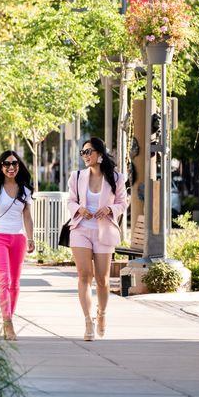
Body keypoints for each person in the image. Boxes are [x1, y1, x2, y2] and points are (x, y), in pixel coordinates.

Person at [66, 137, 127, 341]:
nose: (85, 156)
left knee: (102, 279)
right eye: (83, 152)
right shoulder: (76, 176)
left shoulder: (116, 178)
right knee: (84, 275)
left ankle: (101, 314)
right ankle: (88, 321)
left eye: (89, 151)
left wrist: (110, 209)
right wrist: (79, 209)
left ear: (100, 154)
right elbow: (70, 200)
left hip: (104, 231)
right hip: (81, 229)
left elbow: (122, 203)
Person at [0, 151, 35, 341]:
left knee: (15, 283)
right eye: (6, 164)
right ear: (1, 167)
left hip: (18, 238)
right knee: (4, 279)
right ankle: (8, 323)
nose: (11, 167)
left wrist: (31, 238)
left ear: (19, 166)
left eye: (14, 164)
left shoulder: (25, 189)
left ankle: (7, 318)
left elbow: (27, 216)